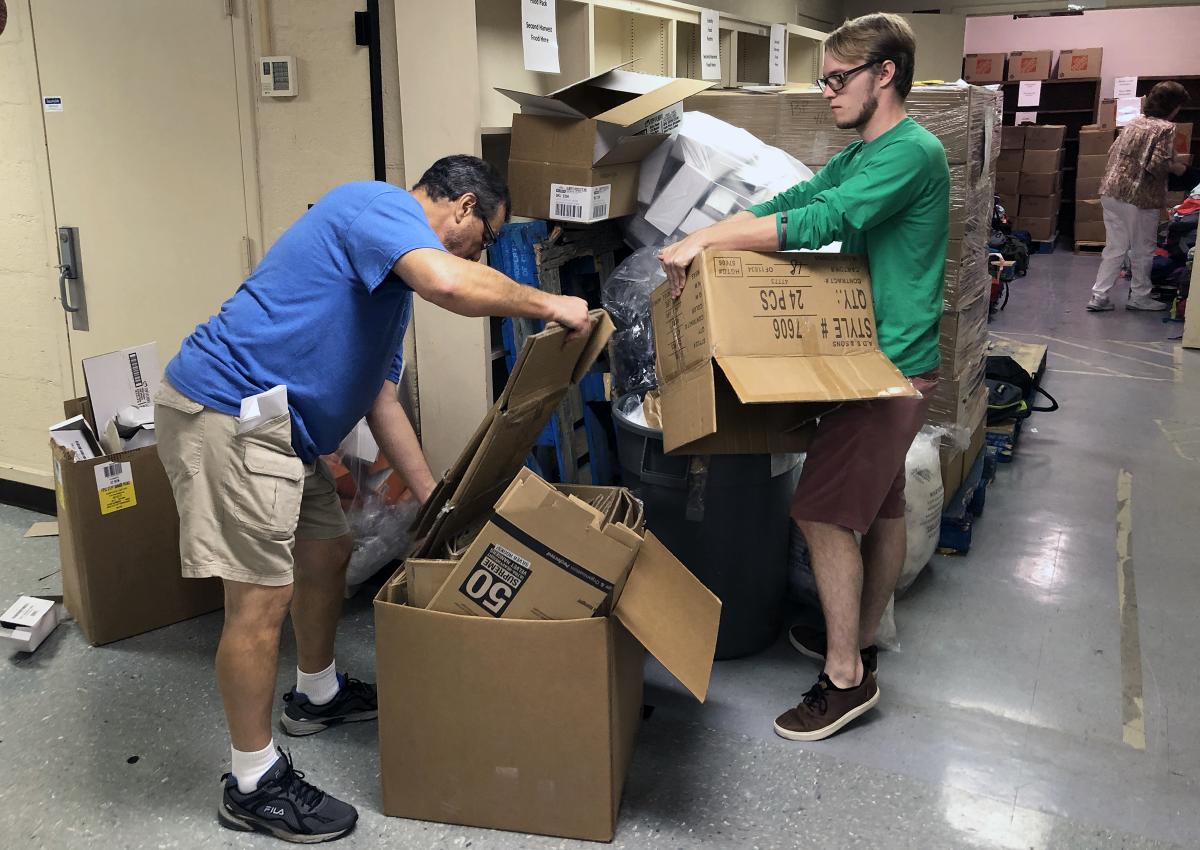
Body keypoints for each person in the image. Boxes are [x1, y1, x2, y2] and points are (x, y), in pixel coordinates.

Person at [154, 155, 590, 843]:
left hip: (282, 429)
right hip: (227, 411)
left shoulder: (388, 293)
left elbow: (379, 399)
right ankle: (252, 781)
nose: (479, 254)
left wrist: (433, 502)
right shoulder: (378, 207)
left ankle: (317, 694)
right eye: (483, 240)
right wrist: (546, 302)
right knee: (259, 600)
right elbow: (450, 281)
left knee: (327, 551)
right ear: (464, 207)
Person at [658, 13, 948, 742]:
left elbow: (824, 219)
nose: (826, 93)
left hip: (884, 368)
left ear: (885, 74)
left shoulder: (912, 153)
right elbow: (795, 200)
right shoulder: (864, 153)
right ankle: (861, 638)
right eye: (822, 79)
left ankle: (845, 676)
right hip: (869, 359)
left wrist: (704, 238)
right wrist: (722, 231)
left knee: (819, 513)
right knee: (880, 509)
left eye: (836, 78)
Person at [1087, 81, 1191, 312]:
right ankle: (1140, 297)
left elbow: (1112, 151)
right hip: (1140, 197)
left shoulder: (1134, 122)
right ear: (1173, 106)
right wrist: (1178, 168)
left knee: (1115, 247)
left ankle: (1099, 295)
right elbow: (1157, 164)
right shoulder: (1166, 128)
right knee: (1143, 249)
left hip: (1112, 191)